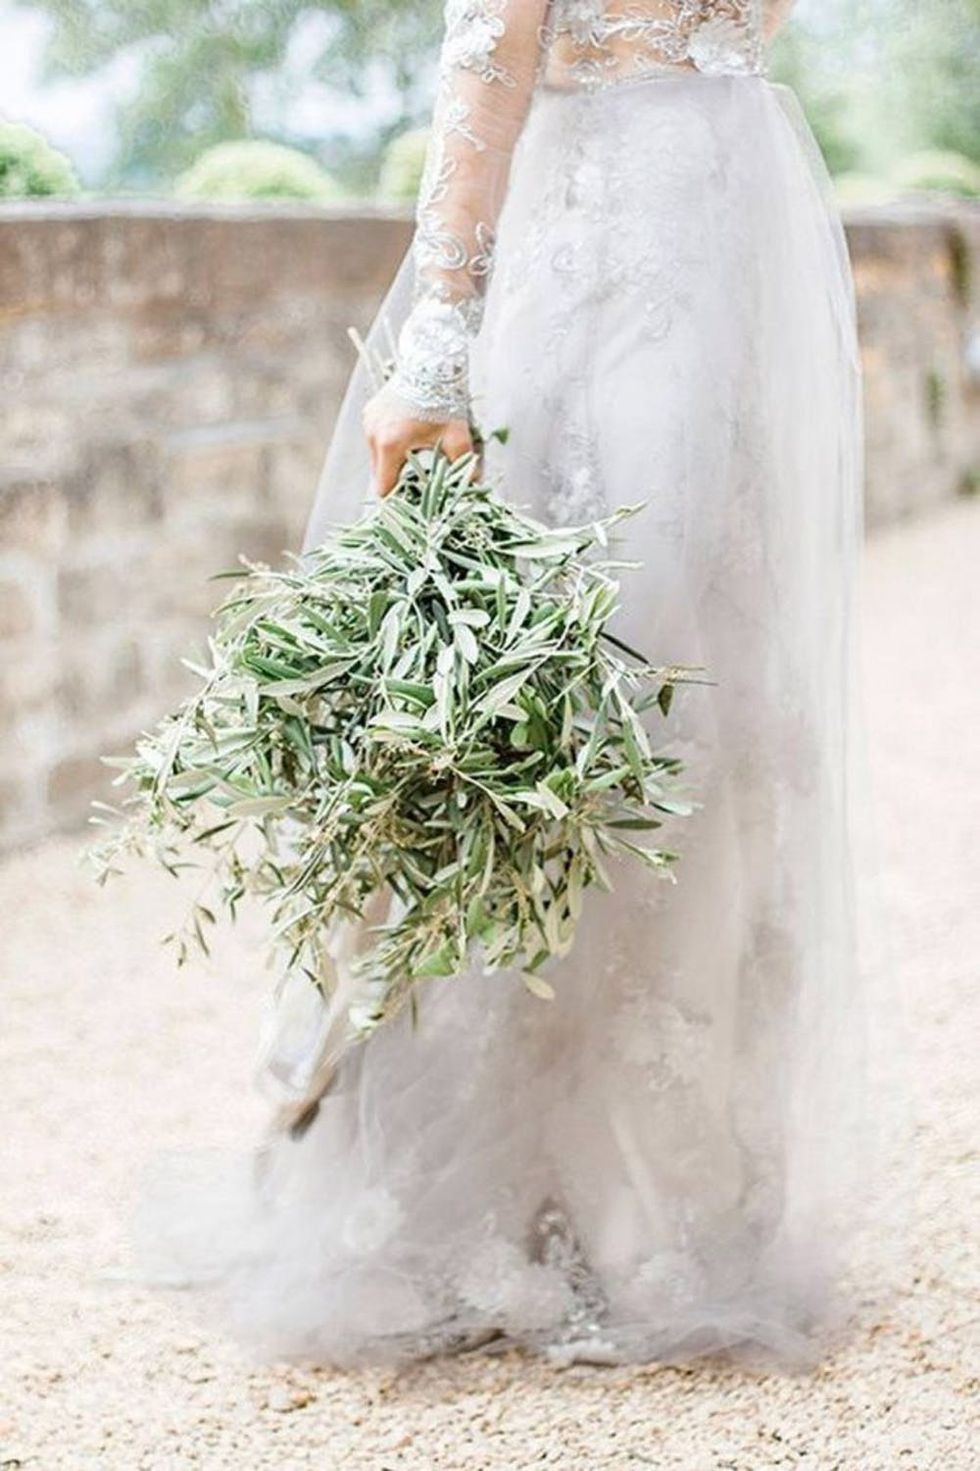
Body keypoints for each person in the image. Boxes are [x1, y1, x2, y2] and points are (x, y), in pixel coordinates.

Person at [145, 0, 869, 1368]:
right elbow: (490, 41)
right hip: (604, 247)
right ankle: (471, 1193)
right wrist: (436, 347)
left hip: (732, 248)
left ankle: (655, 1197)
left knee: (704, 724)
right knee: (585, 700)